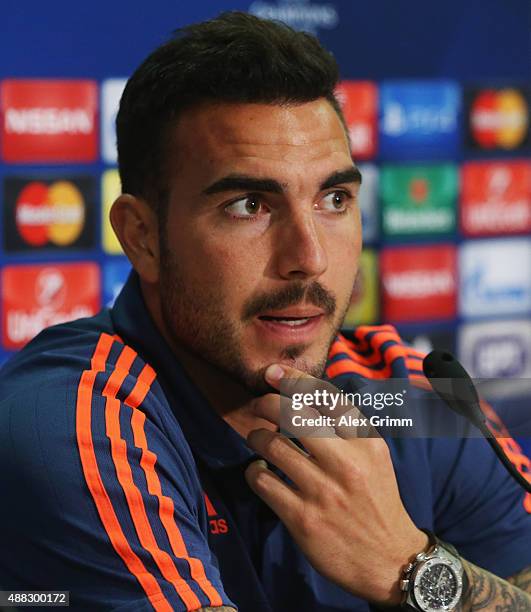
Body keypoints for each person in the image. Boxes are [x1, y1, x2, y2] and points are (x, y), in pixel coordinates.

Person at [0, 11, 530, 612]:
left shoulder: (403, 395)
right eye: (249, 205)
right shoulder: (73, 425)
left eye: (334, 199)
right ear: (142, 236)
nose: (308, 258)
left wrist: (407, 566)